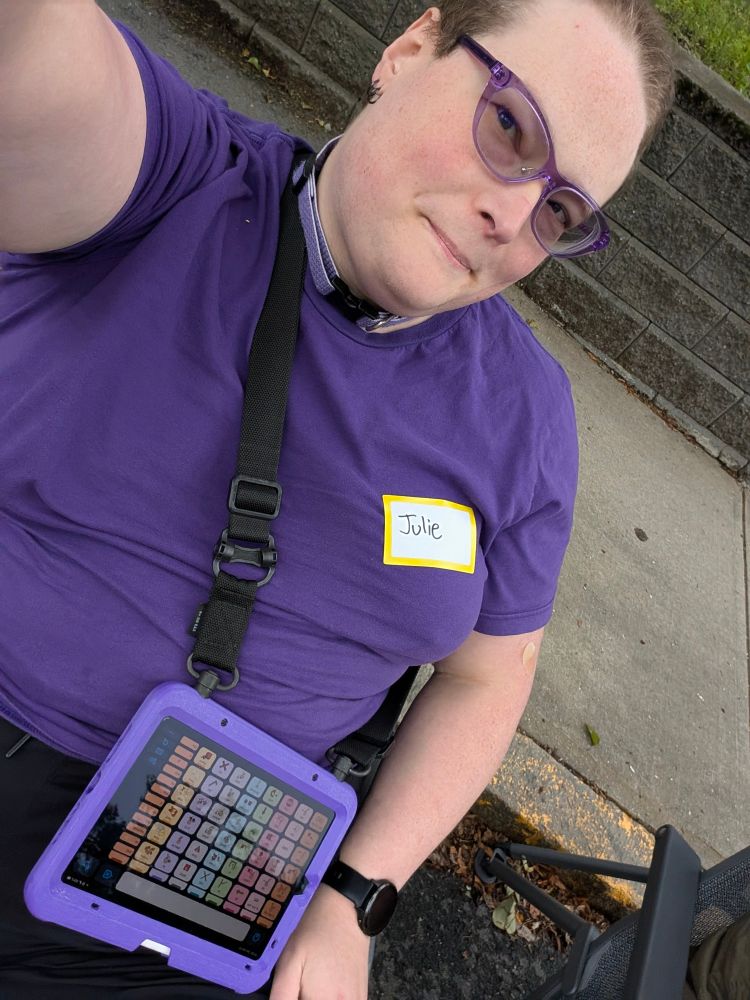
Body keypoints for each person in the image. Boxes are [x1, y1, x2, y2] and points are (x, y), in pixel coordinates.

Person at [0, 0, 674, 997]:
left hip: (205, 865)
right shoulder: (174, 180)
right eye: (509, 126)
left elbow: (489, 678)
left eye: (561, 211)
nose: (512, 214)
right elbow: (36, 63)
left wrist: (355, 895)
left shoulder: (523, 419)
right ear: (409, 50)